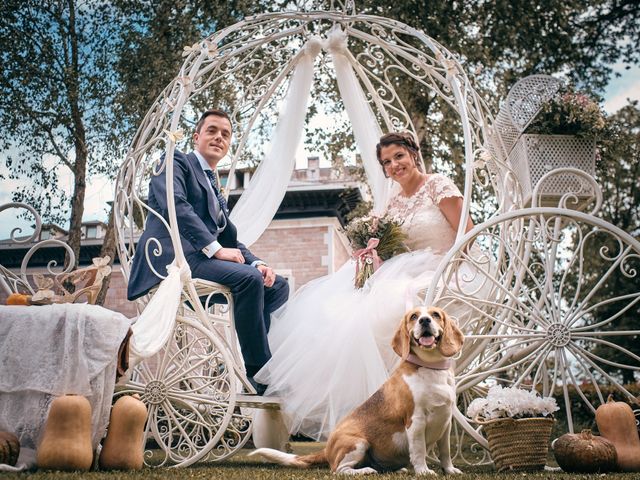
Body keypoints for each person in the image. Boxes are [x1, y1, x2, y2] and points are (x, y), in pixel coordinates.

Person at [254, 131, 474, 439]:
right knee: (341, 311)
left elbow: (467, 232)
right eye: (387, 162)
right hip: (407, 272)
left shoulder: (438, 185)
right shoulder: (392, 204)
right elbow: (387, 246)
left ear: (413, 154)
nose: (395, 165)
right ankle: (376, 415)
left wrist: (454, 269)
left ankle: (396, 406)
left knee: (389, 308)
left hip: (445, 269)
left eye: (399, 156)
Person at [127, 109, 289, 394]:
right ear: (196, 137)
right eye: (212, 130)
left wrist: (258, 262)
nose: (219, 138)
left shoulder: (214, 184)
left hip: (200, 258)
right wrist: (215, 250)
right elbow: (175, 205)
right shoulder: (176, 160)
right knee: (247, 280)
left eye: (225, 134)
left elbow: (229, 239)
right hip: (172, 259)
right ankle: (260, 374)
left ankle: (251, 358)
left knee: (275, 286)